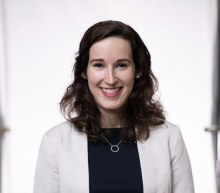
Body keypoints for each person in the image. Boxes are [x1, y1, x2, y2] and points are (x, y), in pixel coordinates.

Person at [34, 20, 194, 193]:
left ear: (138, 70)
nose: (110, 79)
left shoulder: (169, 138)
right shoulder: (55, 142)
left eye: (121, 65)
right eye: (98, 65)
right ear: (83, 71)